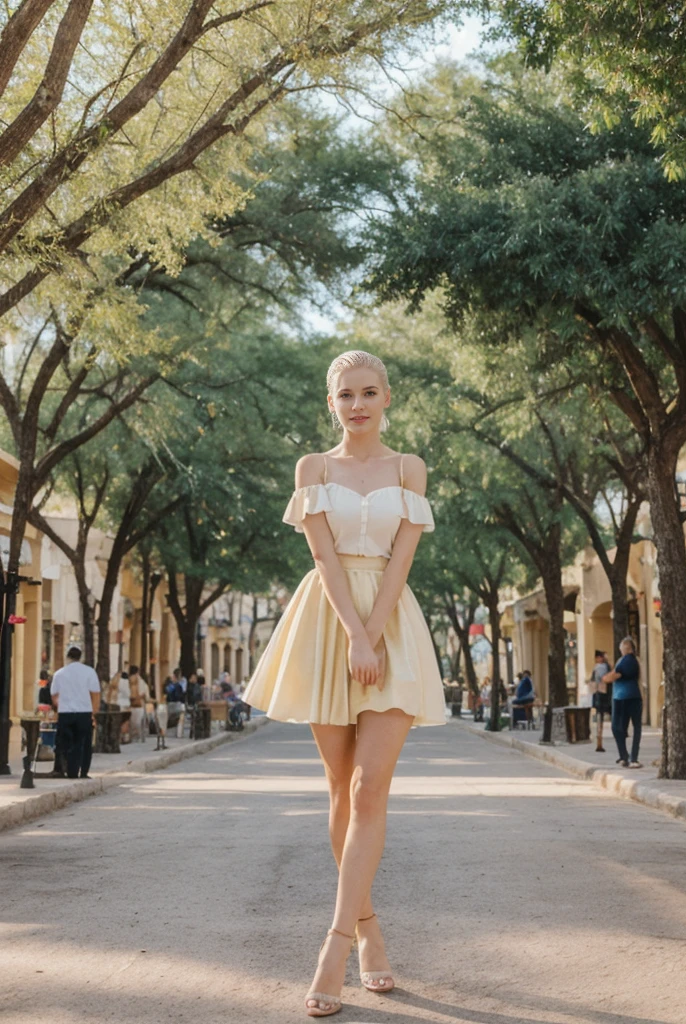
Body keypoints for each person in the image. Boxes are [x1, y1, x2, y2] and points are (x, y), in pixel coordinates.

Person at [242, 349, 444, 1018]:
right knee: (338, 787)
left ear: (387, 396)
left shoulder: (409, 468)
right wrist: (354, 634)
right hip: (328, 622)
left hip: (391, 618)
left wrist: (378, 631)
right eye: (344, 395)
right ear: (331, 403)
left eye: (367, 392)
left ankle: (332, 944)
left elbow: (402, 559)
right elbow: (323, 554)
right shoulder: (314, 469)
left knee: (368, 786)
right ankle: (367, 930)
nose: (356, 404)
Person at [50, 645, 101, 779]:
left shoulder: (59, 673)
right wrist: (93, 713)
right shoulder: (89, 672)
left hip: (65, 712)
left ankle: (65, 769)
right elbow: (95, 694)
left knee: (64, 742)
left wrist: (61, 706)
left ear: (68, 657)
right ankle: (83, 772)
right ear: (80, 657)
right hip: (84, 712)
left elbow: (54, 695)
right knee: (83, 743)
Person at [604, 636, 643, 768]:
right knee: (625, 727)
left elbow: (615, 675)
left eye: (622, 646)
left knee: (619, 727)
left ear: (627, 647)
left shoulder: (628, 660)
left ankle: (631, 757)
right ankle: (626, 756)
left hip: (625, 697)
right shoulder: (625, 659)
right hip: (625, 697)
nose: (621, 649)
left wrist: (607, 677)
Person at [589, 650, 613, 752]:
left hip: (599, 696)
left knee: (600, 719)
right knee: (601, 719)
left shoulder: (598, 667)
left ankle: (599, 741)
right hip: (605, 696)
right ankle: (599, 742)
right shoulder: (605, 667)